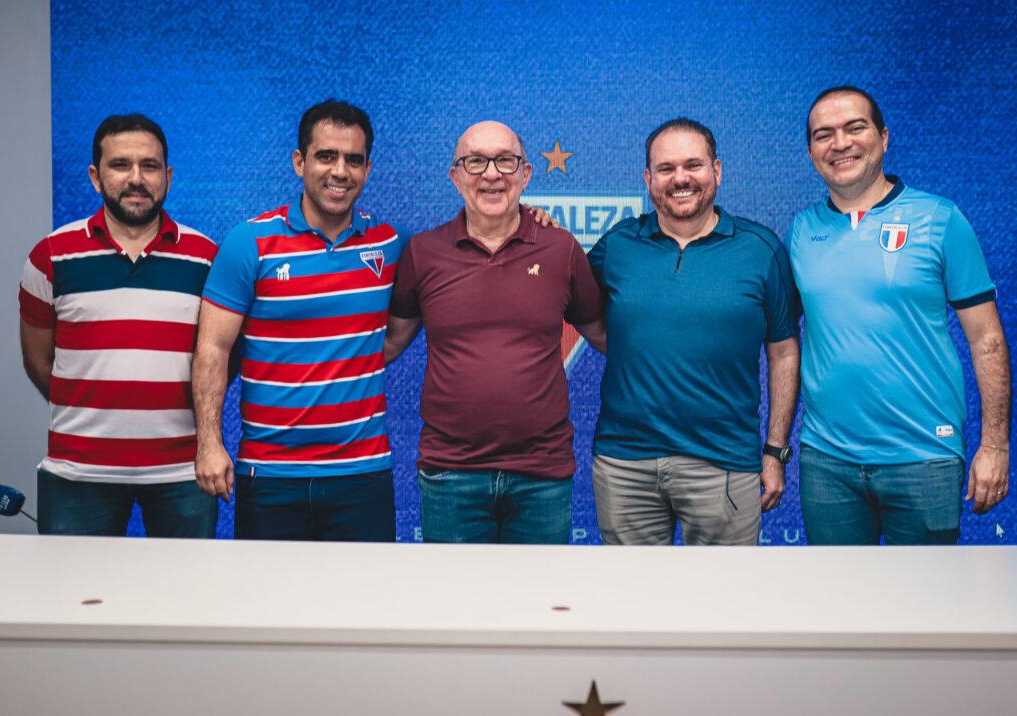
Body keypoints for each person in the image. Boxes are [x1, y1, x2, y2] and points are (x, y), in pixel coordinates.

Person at [789, 86, 1011, 544]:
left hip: (924, 457)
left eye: (855, 128)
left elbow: (987, 339)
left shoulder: (941, 219)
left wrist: (994, 445)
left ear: (884, 138)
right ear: (810, 151)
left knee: (926, 593)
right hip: (827, 461)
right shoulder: (801, 229)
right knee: (836, 593)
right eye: (823, 135)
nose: (840, 143)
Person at [192, 100, 408, 541]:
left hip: (362, 476)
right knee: (267, 590)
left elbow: (410, 316)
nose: (340, 171)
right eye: (326, 156)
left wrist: (532, 218)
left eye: (354, 160)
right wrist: (209, 443)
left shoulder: (390, 244)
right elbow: (213, 349)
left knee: (366, 590)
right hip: (269, 475)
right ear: (299, 162)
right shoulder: (250, 243)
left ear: (368, 168)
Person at [384, 120, 605, 544]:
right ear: (455, 176)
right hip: (450, 474)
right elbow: (389, 342)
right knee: (453, 591)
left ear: (525, 174)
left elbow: (605, 335)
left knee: (541, 589)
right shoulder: (423, 253)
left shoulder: (561, 249)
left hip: (541, 475)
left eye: (505, 161)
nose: (491, 174)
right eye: (475, 162)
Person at [588, 118, 800, 546]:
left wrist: (775, 451)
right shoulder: (617, 245)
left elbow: (784, 352)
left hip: (724, 463)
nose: (680, 178)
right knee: (630, 589)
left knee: (725, 590)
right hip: (625, 463)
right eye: (665, 169)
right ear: (648, 179)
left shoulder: (761, 248)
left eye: (693, 165)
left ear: (716, 171)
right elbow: (575, 303)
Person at [18, 114, 219, 537]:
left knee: (189, 582)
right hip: (77, 474)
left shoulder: (206, 259)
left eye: (149, 166)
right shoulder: (50, 257)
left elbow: (221, 360)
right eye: (120, 165)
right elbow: (39, 362)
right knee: (72, 583)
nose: (136, 179)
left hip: (182, 472)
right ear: (95, 177)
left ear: (168, 176)